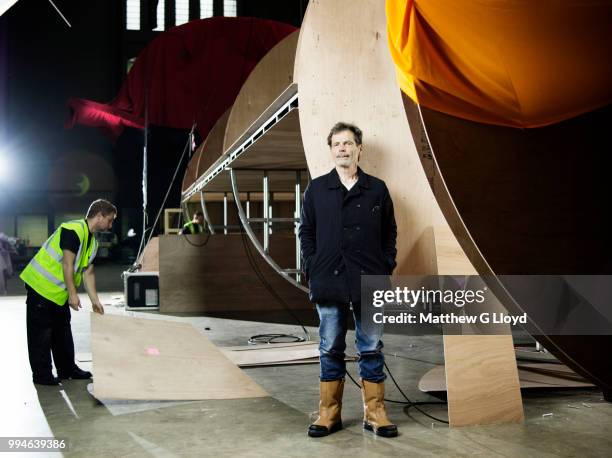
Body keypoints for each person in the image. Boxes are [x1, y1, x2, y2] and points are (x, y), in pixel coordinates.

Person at [299, 122, 398, 438]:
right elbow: (307, 233)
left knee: (371, 346)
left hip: (370, 280)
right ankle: (328, 413)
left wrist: (386, 264)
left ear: (359, 148)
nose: (342, 148)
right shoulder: (316, 189)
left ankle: (376, 413)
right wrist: (313, 265)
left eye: (348, 143)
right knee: (330, 347)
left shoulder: (377, 189)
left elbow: (389, 233)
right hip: (328, 278)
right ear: (331, 150)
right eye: (337, 144)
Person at [20, 199, 117, 385]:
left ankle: (67, 369)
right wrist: (73, 294)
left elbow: (87, 271)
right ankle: (42, 376)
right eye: (110, 220)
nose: (111, 224)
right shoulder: (74, 230)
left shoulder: (93, 243)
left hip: (57, 292)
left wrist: (95, 300)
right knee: (41, 335)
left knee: (62, 332)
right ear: (99, 216)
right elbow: (67, 263)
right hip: (40, 286)